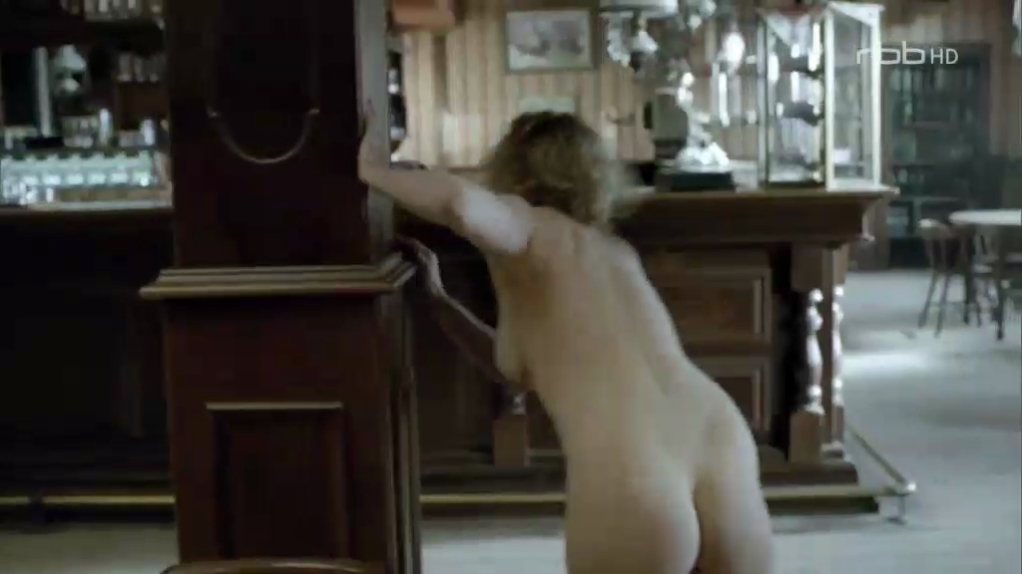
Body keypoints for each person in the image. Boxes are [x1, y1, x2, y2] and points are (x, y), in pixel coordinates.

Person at [358, 106, 774, 574]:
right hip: (718, 435)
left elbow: (460, 207)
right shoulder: (613, 253)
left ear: (516, 174)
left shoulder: (528, 224)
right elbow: (517, 370)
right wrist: (440, 301)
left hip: (631, 460)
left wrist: (374, 171)